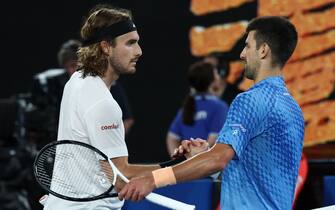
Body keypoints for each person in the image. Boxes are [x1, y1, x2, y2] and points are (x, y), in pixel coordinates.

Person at [119, 16, 305, 210]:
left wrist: (153, 179)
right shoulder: (293, 109)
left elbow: (218, 159)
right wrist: (201, 157)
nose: (242, 54)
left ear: (263, 50)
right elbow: (252, 178)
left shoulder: (249, 100)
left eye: (247, 46)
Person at [42, 5, 161, 210]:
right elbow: (121, 174)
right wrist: (177, 166)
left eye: (138, 43)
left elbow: (104, 167)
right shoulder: (104, 104)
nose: (139, 51)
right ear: (106, 47)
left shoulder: (77, 80)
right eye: (130, 43)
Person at [166, 61, 229, 156]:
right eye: (216, 73)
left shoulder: (186, 107)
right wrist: (198, 162)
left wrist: (179, 161)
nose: (219, 76)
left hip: (190, 167)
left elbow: (171, 138)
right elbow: (213, 141)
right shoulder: (219, 107)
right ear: (212, 80)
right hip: (206, 167)